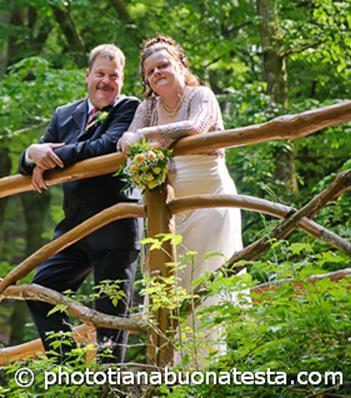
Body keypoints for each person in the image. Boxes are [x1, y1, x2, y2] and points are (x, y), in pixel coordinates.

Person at [117, 34, 243, 363]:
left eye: (164, 66)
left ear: (180, 65)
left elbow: (197, 126)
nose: (157, 73)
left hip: (209, 199)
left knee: (204, 281)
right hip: (168, 208)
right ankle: (171, 369)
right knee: (169, 281)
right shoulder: (147, 108)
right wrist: (138, 138)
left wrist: (145, 136)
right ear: (145, 79)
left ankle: (207, 367)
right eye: (150, 71)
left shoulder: (201, 95)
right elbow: (127, 140)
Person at [18, 44, 140, 363]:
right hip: (73, 230)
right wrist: (31, 152)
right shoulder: (64, 114)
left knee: (110, 323)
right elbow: (29, 162)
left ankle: (108, 389)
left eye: (113, 76)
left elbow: (103, 147)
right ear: (87, 75)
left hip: (115, 227)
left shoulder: (129, 108)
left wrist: (51, 156)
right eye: (100, 74)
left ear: (122, 80)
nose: (106, 81)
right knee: (40, 291)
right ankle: (73, 374)